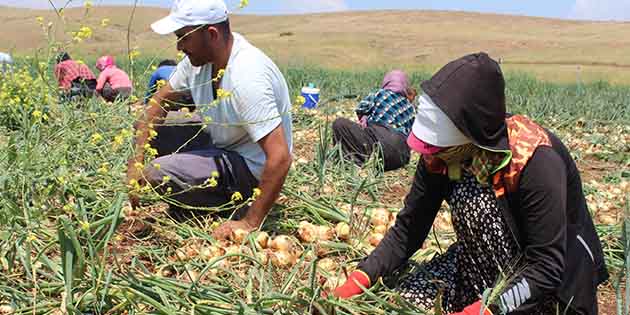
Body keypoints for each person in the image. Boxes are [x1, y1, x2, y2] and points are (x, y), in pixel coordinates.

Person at [332, 53, 608, 315]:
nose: (430, 156)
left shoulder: (535, 161)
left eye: (439, 149)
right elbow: (409, 229)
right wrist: (360, 277)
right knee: (404, 299)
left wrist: (488, 309)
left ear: (471, 139)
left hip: (545, 287)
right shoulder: (440, 154)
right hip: (478, 268)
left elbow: (546, 267)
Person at [126, 0, 293, 240]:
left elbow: (280, 157)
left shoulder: (247, 75)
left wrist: (249, 222)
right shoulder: (197, 64)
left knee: (157, 174)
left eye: (184, 38)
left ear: (211, 34)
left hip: (248, 169)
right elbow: (158, 102)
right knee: (145, 129)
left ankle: (228, 202)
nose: (179, 46)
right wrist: (136, 162)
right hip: (222, 143)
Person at [332, 70, 416, 171]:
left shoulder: (380, 93)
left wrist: (365, 119)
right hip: (401, 156)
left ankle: (352, 161)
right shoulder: (411, 107)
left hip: (380, 143)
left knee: (340, 124)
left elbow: (361, 108)